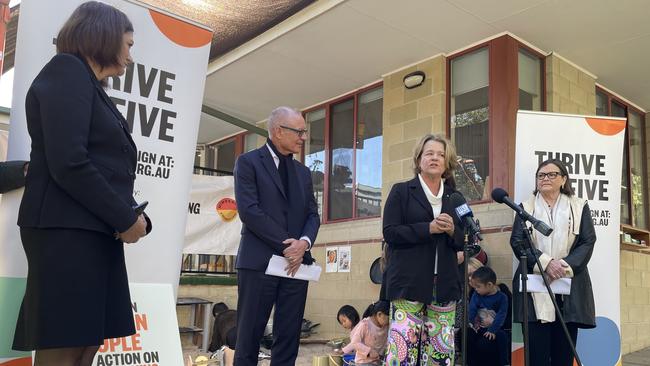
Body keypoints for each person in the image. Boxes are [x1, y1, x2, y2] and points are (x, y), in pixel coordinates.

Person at [12, 2, 150, 365]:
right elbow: (69, 163)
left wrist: (132, 216)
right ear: (103, 35)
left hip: (90, 230)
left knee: (86, 344)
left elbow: (101, 167)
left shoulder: (91, 86)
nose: (130, 57)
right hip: (65, 231)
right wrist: (124, 219)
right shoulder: (66, 70)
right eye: (129, 44)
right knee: (66, 344)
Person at [233, 106, 320, 365]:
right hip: (259, 262)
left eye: (305, 132)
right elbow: (250, 211)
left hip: (296, 266)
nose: (304, 137)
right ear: (278, 131)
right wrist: (288, 246)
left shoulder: (303, 173)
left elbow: (313, 215)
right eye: (299, 131)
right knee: (249, 337)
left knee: (289, 337)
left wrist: (303, 243)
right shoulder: (248, 163)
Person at [383, 134, 465, 365]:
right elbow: (390, 232)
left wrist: (452, 232)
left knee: (441, 352)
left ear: (447, 163)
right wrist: (427, 228)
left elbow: (466, 239)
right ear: (419, 158)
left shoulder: (456, 197)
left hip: (445, 283)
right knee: (403, 352)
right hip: (409, 282)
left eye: (441, 155)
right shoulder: (401, 191)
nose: (435, 158)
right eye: (429, 153)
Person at [510, 158, 596, 366]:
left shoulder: (578, 205)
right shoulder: (525, 207)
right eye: (541, 175)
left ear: (563, 179)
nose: (545, 178)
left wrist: (562, 266)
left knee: (563, 356)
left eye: (551, 174)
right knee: (536, 356)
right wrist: (546, 263)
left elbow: (587, 240)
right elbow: (517, 241)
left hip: (568, 288)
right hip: (534, 289)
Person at [466, 267, 510, 366]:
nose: (476, 289)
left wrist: (492, 329)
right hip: (479, 327)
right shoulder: (477, 295)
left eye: (478, 287)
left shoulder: (502, 297)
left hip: (494, 327)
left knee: (502, 337)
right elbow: (472, 309)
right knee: (467, 335)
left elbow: (501, 315)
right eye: (474, 287)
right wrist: (471, 323)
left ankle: (505, 363)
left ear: (489, 285)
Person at [341, 301, 389, 366]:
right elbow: (355, 343)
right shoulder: (365, 325)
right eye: (388, 318)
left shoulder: (386, 326)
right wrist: (369, 351)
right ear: (379, 314)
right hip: (363, 362)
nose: (389, 321)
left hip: (377, 361)